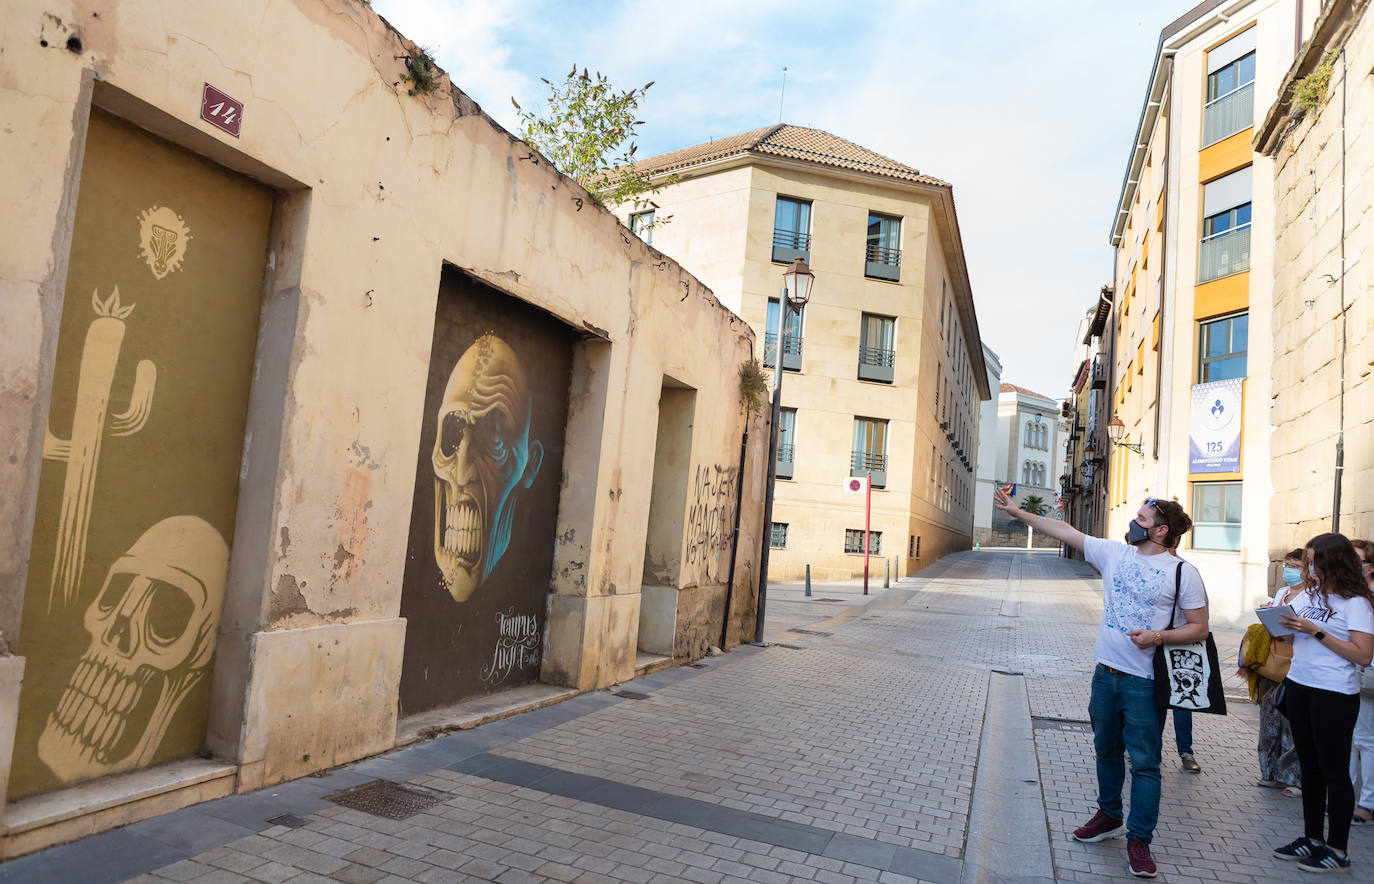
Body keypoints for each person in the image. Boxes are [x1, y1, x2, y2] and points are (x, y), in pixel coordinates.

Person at [993, 490, 1207, 879]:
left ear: (1161, 531)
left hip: (1144, 682)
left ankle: (1139, 840)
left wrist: (1157, 637)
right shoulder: (1116, 554)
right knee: (1106, 751)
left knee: (1145, 764)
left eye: (1141, 520)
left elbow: (1199, 627)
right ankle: (1109, 815)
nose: (1133, 523)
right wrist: (1018, 511)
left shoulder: (1183, 573)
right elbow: (1063, 529)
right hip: (1105, 674)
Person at [1271, 533, 1374, 874]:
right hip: (1300, 686)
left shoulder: (1355, 602)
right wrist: (1280, 628)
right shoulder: (1310, 594)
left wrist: (1315, 631)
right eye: (1309, 561)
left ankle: (1338, 849)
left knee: (1334, 771)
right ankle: (1313, 839)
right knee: (1310, 768)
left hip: (1334, 694)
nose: (1311, 569)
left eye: (1317, 562)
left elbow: (1362, 653)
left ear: (1336, 563)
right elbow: (1290, 634)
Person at [1244, 549, 1305, 794]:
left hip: (1296, 663)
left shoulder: (1313, 595)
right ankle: (1269, 773)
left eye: (1296, 565)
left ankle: (1293, 777)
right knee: (1269, 721)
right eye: (1287, 564)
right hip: (1273, 663)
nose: (1289, 569)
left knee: (1293, 724)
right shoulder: (1281, 592)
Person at [1349, 539, 1374, 825]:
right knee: (1350, 738)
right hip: (1345, 671)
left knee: (1365, 739)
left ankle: (1366, 803)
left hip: (1367, 672)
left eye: (1359, 561)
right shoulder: (1350, 594)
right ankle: (1346, 795)